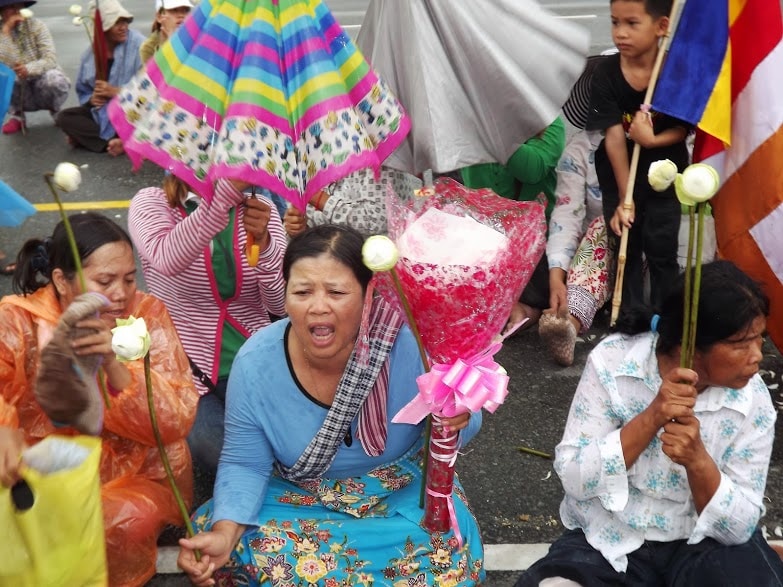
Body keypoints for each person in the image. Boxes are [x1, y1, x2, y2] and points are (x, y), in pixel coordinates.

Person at [177, 224, 486, 586]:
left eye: (336, 292)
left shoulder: (410, 343)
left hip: (398, 491)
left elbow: (457, 435)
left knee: (445, 551)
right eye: (302, 291)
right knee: (223, 543)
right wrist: (226, 533)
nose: (318, 307)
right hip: (297, 494)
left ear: (368, 294)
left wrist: (459, 412)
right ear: (286, 294)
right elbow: (245, 462)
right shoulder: (255, 362)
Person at [516, 260, 783, 586]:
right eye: (742, 344)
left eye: (760, 339)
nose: (758, 355)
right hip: (612, 535)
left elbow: (739, 525)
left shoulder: (752, 398)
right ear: (691, 346)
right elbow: (574, 476)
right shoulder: (615, 362)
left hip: (701, 541)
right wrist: (652, 416)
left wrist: (698, 460)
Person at [0, 213, 199, 587]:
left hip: (132, 473)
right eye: (105, 281)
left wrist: (114, 364)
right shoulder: (20, 318)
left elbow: (174, 421)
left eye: (129, 277)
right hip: (35, 470)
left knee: (124, 519)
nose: (122, 294)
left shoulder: (147, 314)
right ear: (61, 280)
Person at [129, 176, 287, 474]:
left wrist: (265, 245)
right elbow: (166, 257)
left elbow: (280, 304)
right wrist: (223, 197)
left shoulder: (259, 207)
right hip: (186, 370)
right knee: (228, 457)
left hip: (254, 360)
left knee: (291, 448)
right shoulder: (152, 203)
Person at [586, 0, 690, 314]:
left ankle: (665, 319)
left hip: (664, 175)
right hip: (619, 175)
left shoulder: (675, 71)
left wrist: (653, 138)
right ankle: (627, 316)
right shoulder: (605, 73)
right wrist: (624, 198)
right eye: (615, 22)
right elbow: (614, 137)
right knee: (626, 246)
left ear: (661, 27)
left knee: (661, 246)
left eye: (632, 23)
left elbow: (684, 128)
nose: (620, 33)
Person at [461, 116, 566, 331]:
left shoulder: (551, 123)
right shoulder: (471, 128)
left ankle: (524, 309)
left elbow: (532, 168)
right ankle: (510, 307)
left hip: (534, 249)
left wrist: (491, 130)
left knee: (540, 288)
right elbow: (477, 200)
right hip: (490, 247)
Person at [538, 129, 614, 367]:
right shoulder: (582, 148)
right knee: (603, 225)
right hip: (602, 252)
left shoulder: (669, 139)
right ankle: (570, 320)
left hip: (654, 253)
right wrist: (556, 279)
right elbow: (566, 216)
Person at [55, 0, 143, 155]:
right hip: (103, 114)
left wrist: (117, 91)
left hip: (132, 112)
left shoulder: (139, 45)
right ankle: (112, 142)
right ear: (103, 28)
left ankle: (111, 140)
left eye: (125, 21)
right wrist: (92, 99)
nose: (124, 27)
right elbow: (84, 92)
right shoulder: (90, 56)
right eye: (117, 23)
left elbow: (151, 91)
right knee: (64, 117)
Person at [283, 166, 422, 238]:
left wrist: (318, 198)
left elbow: (376, 218)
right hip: (323, 262)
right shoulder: (310, 161)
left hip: (373, 271)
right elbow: (307, 221)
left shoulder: (381, 159)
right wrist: (297, 229)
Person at [0, 0, 70, 134]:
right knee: (4, 77)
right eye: (10, 7)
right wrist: (6, 31)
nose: (16, 11)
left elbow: (50, 58)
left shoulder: (37, 26)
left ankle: (54, 109)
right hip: (17, 83)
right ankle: (17, 115)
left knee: (54, 79)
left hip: (40, 78)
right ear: (2, 11)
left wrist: (28, 69)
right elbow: (1, 61)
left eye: (19, 6)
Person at [139, 0, 193, 64]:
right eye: (174, 10)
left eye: (186, 10)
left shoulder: (197, 37)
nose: (181, 15)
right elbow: (160, 72)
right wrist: (169, 42)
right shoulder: (148, 47)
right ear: (159, 17)